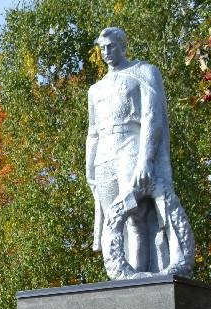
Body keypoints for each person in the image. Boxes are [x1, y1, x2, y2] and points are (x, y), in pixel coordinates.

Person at [86, 26, 194, 279]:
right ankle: (120, 277)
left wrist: (146, 159)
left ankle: (138, 278)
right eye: (102, 48)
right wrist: (89, 168)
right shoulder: (95, 90)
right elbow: (92, 131)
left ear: (123, 45)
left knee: (135, 216)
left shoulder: (144, 72)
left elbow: (152, 117)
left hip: (130, 148)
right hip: (104, 155)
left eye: (111, 46)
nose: (106, 52)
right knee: (113, 219)